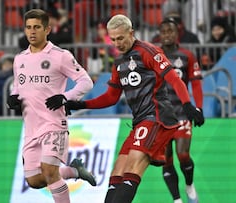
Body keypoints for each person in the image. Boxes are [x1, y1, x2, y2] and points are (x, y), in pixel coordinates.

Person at [66, 14, 205, 203]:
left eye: (121, 38)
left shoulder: (148, 51)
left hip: (157, 117)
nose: (117, 43)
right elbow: (111, 97)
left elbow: (173, 78)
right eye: (113, 39)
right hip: (140, 121)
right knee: (117, 173)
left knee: (133, 167)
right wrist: (80, 104)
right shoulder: (119, 62)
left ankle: (186, 191)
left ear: (131, 32)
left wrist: (189, 105)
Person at [7, 9, 95, 203]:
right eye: (28, 27)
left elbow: (86, 81)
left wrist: (65, 96)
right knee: (34, 180)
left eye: (37, 27)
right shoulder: (20, 58)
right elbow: (18, 84)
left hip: (53, 123)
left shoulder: (60, 56)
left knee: (49, 171)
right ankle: (74, 171)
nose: (32, 32)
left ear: (47, 29)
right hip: (31, 127)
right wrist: (13, 96)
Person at [158, 18, 203, 203]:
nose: (167, 34)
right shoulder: (154, 55)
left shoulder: (187, 55)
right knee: (165, 159)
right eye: (164, 31)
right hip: (161, 114)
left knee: (183, 155)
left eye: (171, 31)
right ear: (160, 35)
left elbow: (196, 83)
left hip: (182, 112)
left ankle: (189, 185)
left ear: (177, 34)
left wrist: (198, 108)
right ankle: (176, 199)